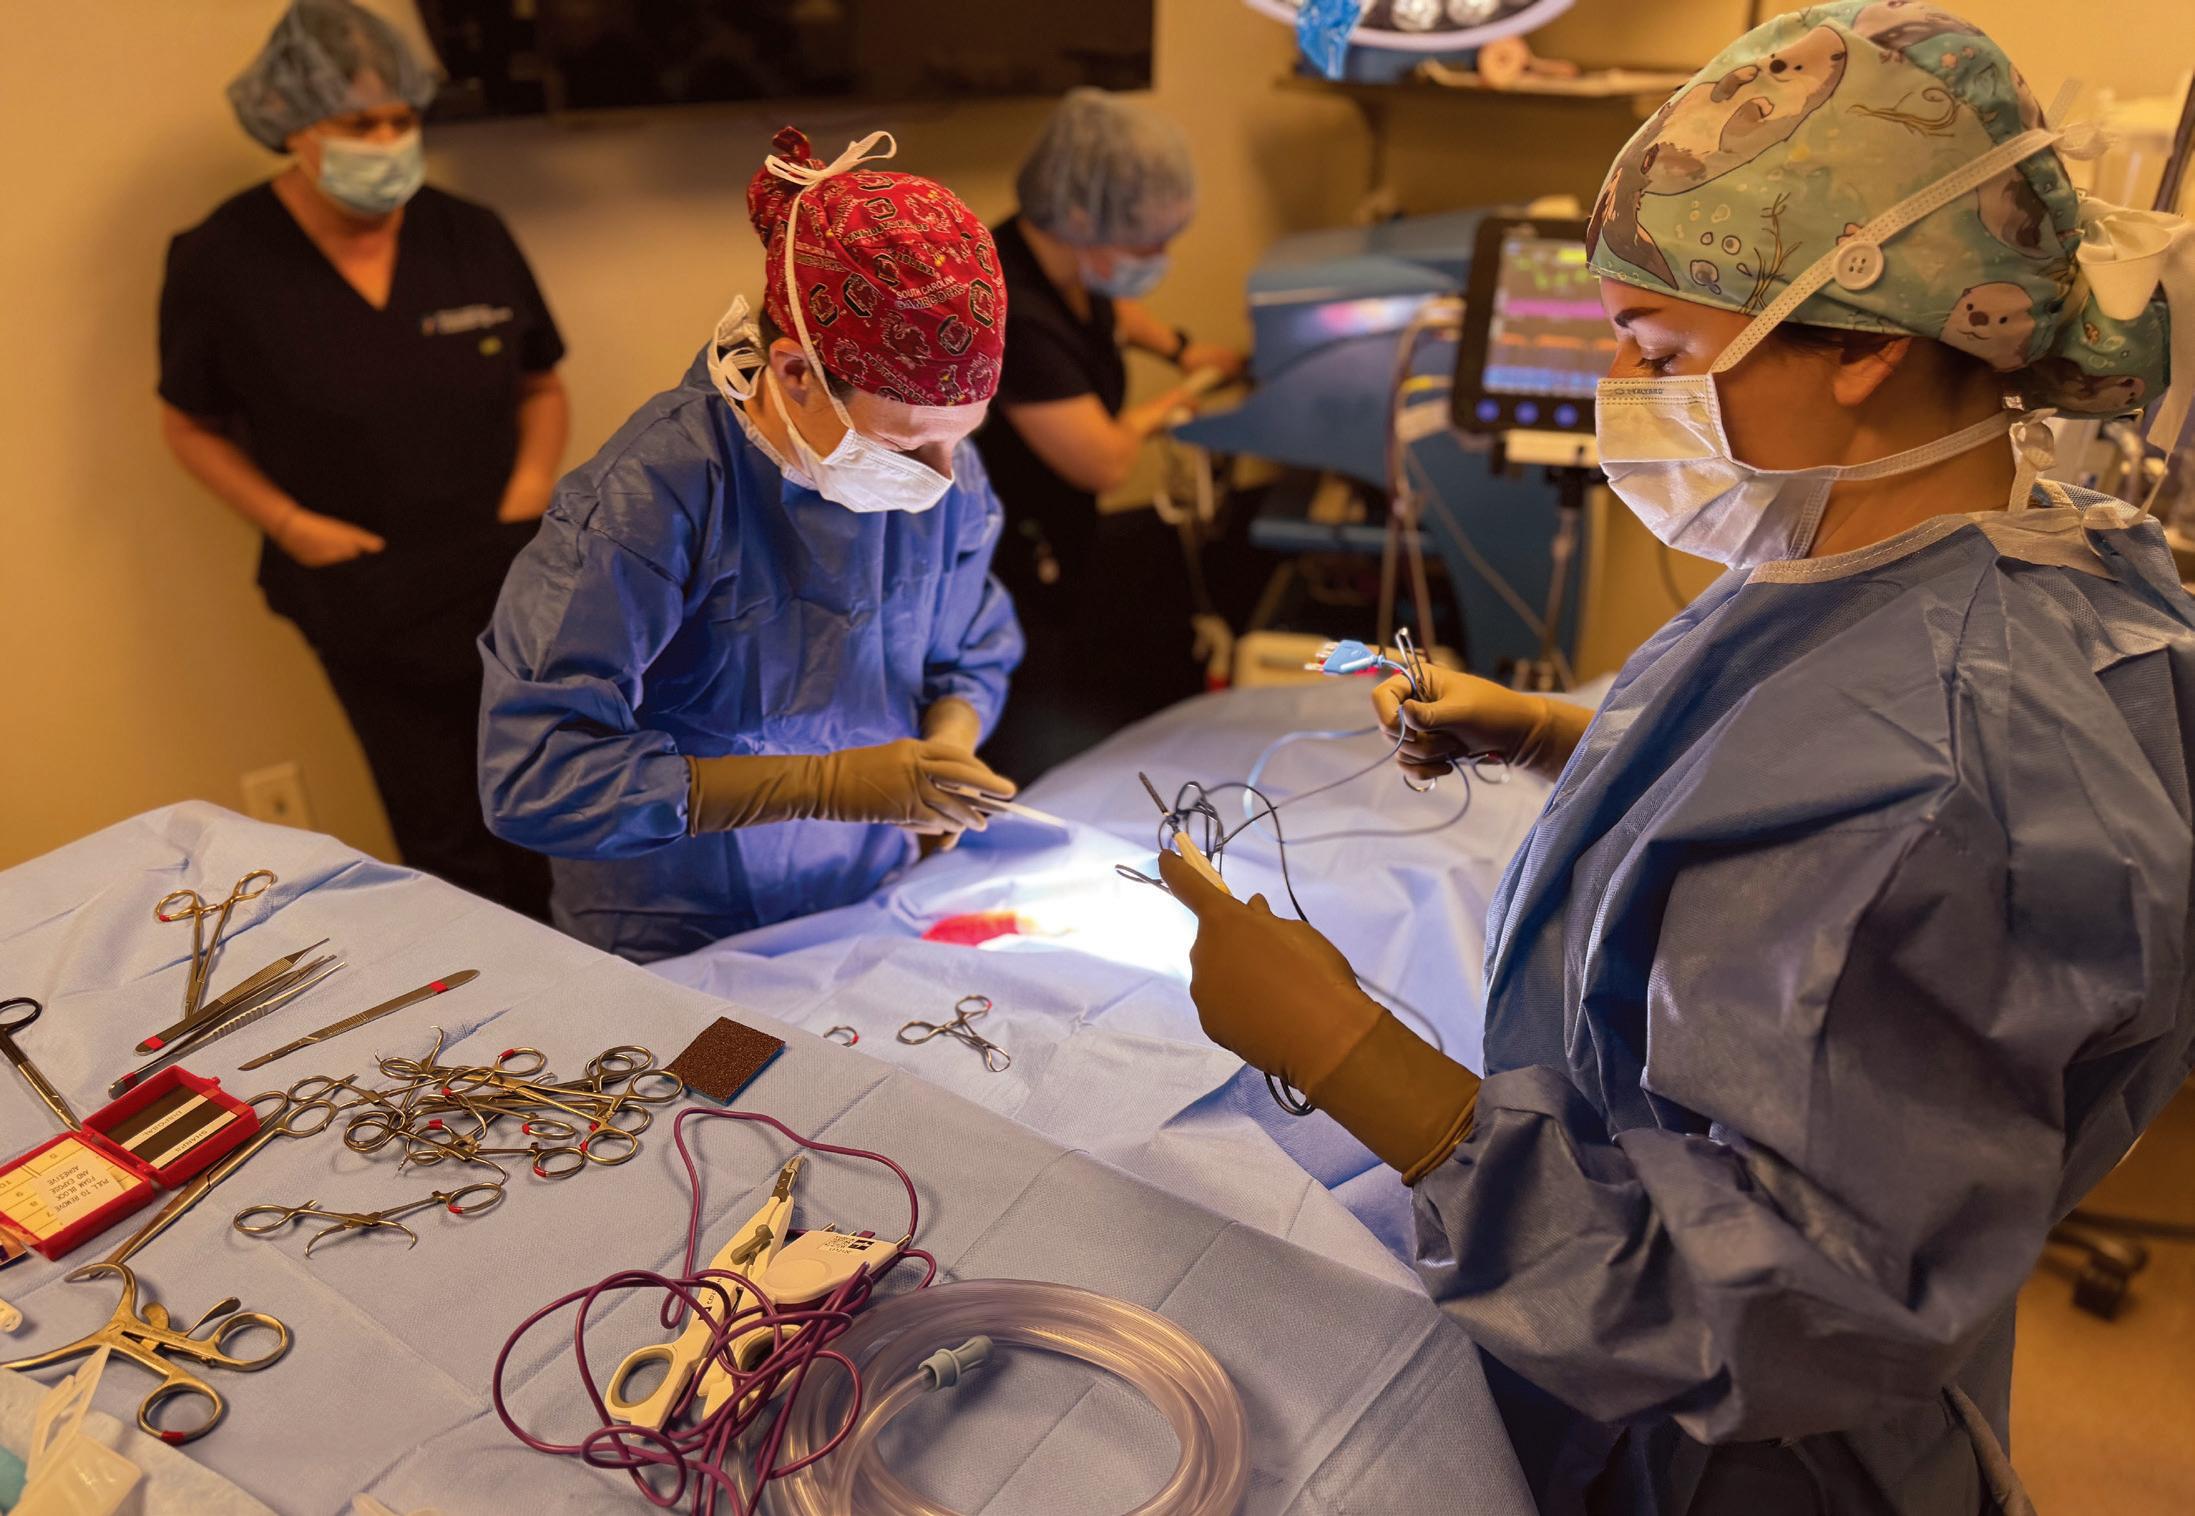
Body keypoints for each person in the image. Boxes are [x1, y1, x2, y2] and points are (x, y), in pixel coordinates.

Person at [1158, 5, 2195, 1512]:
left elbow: (1776, 1311)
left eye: (1659, 349)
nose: (1627, 388)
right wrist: (1553, 734)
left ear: (1860, 348)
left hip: (1726, 1456)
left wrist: (1357, 1067)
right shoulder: (2007, 564)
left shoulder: (1946, 767)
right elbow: (1804, 806)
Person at [478, 128, 1022, 962]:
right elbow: (535, 777)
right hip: (676, 936)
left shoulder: (939, 460)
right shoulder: (645, 501)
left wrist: (947, 741)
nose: (942, 478)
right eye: (906, 444)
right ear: (796, 372)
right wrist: (822, 786)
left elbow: (971, 646)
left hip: (867, 901)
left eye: (962, 437)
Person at [159, 0, 564, 919]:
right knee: (442, 833)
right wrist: (292, 526)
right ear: (292, 124)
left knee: (545, 811)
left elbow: (541, 383)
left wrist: (528, 490)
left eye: (400, 118)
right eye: (358, 124)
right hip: (362, 588)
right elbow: (188, 425)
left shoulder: (470, 233)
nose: (386, 141)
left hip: (505, 572)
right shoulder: (220, 260)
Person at [976, 89, 1246, 780]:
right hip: (1004, 551)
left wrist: (1181, 348)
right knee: (1027, 730)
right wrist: (1177, 404)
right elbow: (1104, 461)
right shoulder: (1014, 316)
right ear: (1078, 216)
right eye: (1146, 243)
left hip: (1060, 536)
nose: (1158, 256)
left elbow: (1112, 311)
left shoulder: (1063, 259)